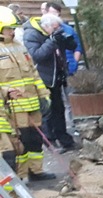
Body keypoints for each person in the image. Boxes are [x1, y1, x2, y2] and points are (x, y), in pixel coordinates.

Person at [0, 7, 53, 181]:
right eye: (10, 29)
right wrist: (6, 93)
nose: (13, 32)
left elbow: (33, 74)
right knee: (20, 144)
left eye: (14, 28)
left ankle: (36, 171)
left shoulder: (19, 47)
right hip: (14, 108)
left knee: (35, 139)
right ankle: (21, 177)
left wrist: (44, 95)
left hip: (32, 103)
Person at [22, 11, 75, 150]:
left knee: (59, 109)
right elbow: (36, 55)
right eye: (55, 28)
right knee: (47, 112)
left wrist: (68, 41)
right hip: (43, 78)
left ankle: (64, 139)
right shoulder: (31, 34)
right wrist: (51, 41)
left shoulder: (53, 32)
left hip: (57, 76)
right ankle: (50, 142)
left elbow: (71, 47)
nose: (57, 30)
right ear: (46, 26)